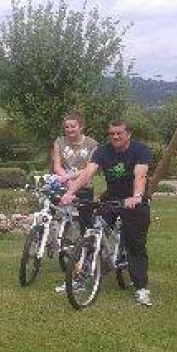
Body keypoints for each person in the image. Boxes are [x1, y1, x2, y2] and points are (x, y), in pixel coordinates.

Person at [60, 120, 153, 306]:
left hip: (133, 200)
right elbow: (87, 173)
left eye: (119, 133)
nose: (115, 137)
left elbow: (140, 174)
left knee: (135, 244)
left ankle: (141, 288)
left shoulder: (140, 150)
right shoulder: (102, 151)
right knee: (91, 233)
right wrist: (70, 193)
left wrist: (136, 196)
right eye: (112, 134)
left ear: (128, 134)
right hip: (111, 197)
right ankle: (79, 279)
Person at [52, 112, 98, 228]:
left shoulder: (92, 144)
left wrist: (69, 178)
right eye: (66, 127)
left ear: (81, 127)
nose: (69, 129)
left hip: (84, 185)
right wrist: (67, 181)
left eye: (73, 126)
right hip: (63, 184)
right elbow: (57, 166)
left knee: (85, 222)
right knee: (59, 218)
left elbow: (89, 169)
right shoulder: (59, 142)